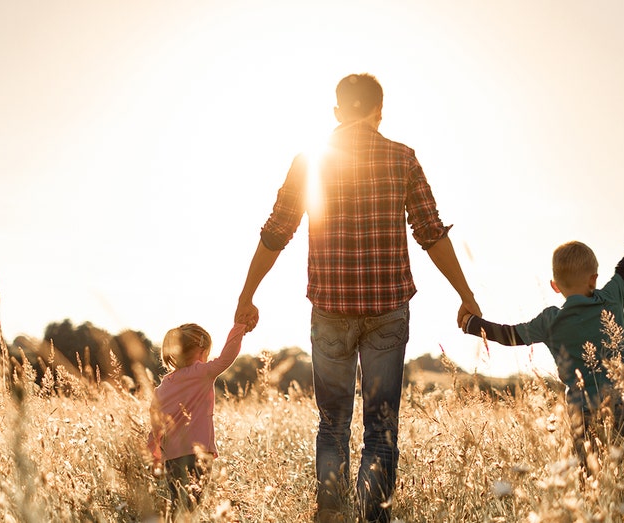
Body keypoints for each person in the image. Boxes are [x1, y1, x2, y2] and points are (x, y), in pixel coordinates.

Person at [234, 73, 481, 522]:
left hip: (330, 310)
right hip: (388, 311)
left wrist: (246, 295)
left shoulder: (310, 160)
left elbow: (277, 232)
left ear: (336, 112)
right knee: (381, 427)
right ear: (379, 112)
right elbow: (430, 234)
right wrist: (466, 295)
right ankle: (373, 518)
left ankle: (329, 515)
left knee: (331, 424)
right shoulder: (402, 159)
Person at [461, 198, 624, 469]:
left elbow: (507, 335)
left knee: (591, 479)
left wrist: (470, 323)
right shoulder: (612, 297)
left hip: (583, 414)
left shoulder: (550, 321)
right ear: (594, 278)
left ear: (555, 286)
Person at [147, 321, 249, 516]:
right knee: (191, 507)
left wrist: (155, 454)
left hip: (171, 458)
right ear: (201, 349)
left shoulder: (163, 387)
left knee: (178, 503)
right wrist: (239, 327)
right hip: (198, 455)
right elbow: (227, 357)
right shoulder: (201, 373)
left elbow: (155, 424)